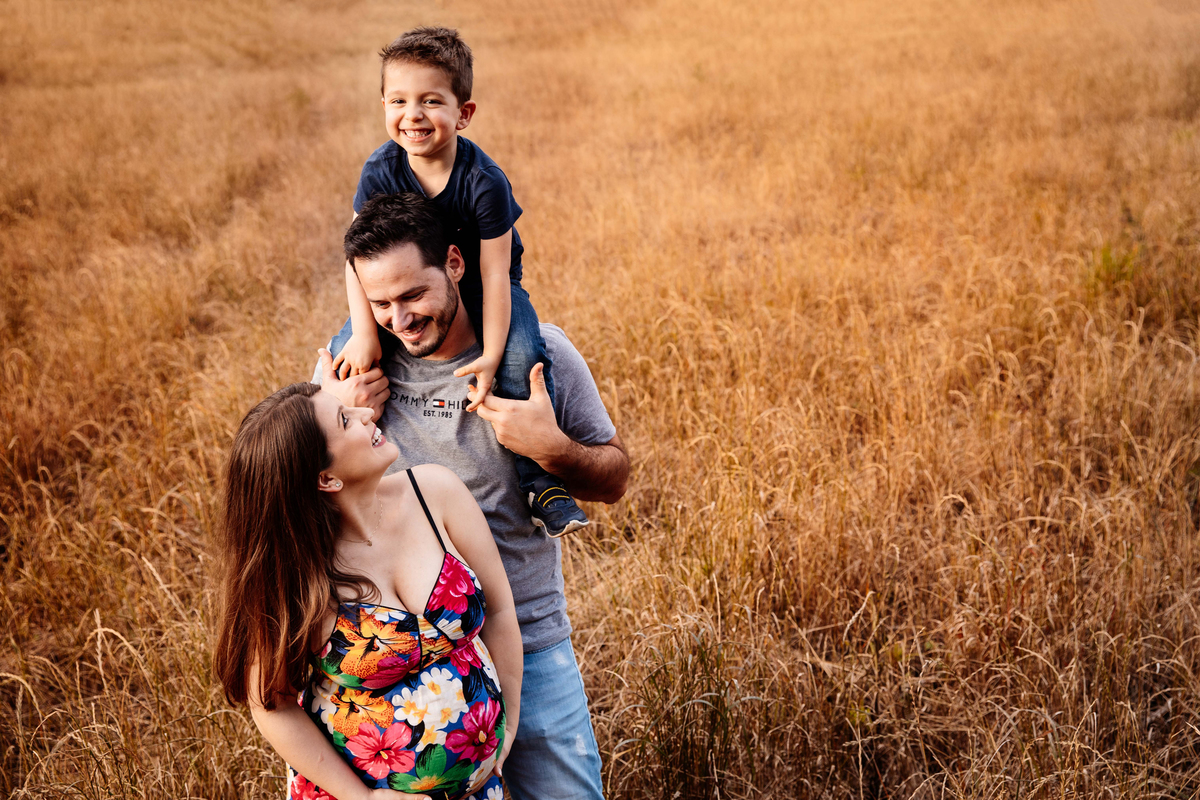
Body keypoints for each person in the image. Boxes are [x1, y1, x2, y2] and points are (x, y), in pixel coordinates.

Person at [318, 193, 628, 800]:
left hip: (530, 641)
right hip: (397, 673)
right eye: (380, 303)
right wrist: (340, 416)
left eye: (413, 296)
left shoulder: (540, 357)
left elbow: (614, 478)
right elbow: (303, 507)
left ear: (456, 263)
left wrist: (552, 448)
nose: (399, 320)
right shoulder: (349, 379)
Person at [330, 26, 590, 538]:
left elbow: (495, 275)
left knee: (521, 356)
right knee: (342, 360)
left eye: (431, 101)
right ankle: (355, 470)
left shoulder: (484, 181)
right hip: (411, 287)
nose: (414, 115)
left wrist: (492, 353)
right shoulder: (379, 170)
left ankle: (538, 482)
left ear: (463, 113)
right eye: (399, 100)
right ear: (383, 104)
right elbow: (357, 259)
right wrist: (364, 334)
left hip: (482, 291)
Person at [213, 381, 523, 800]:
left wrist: (510, 722)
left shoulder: (435, 492)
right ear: (325, 478)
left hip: (481, 788)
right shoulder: (299, 574)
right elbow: (272, 704)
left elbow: (501, 611)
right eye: (345, 419)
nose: (366, 414)